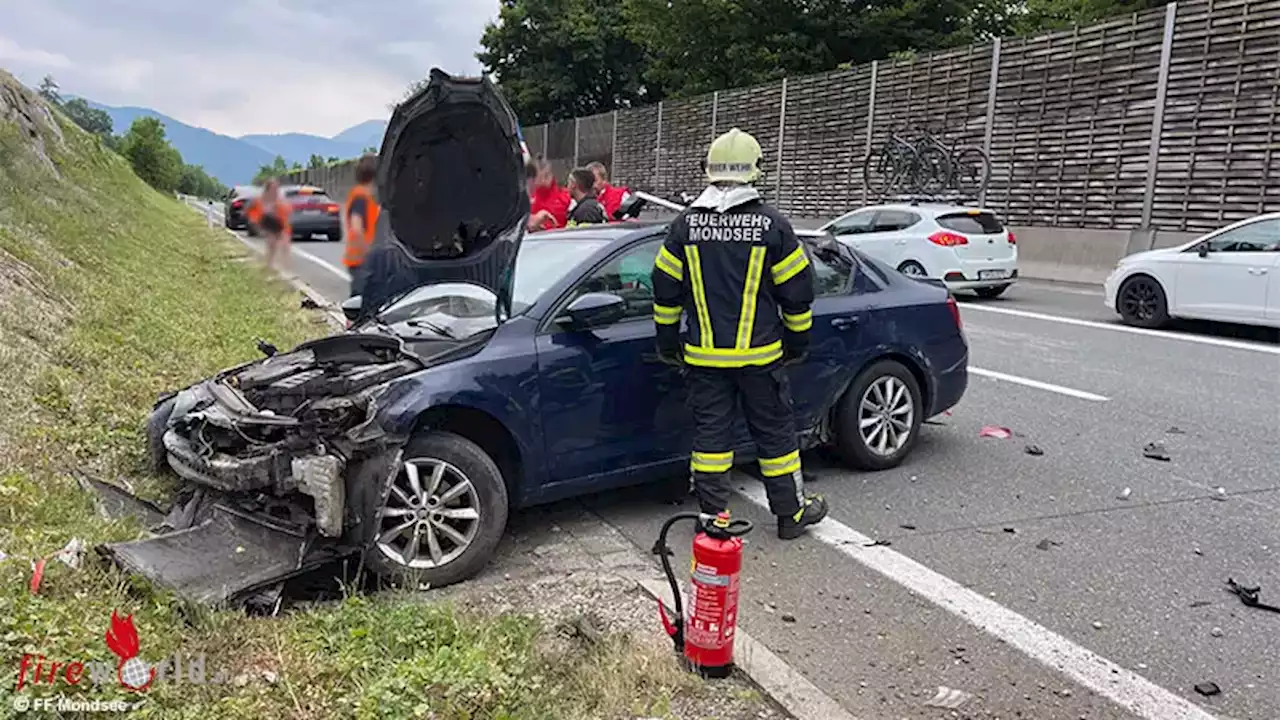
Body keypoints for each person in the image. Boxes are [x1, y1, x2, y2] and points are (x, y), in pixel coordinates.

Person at [650, 128, 828, 540]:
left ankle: (715, 520)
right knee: (776, 436)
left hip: (704, 360)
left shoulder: (685, 227)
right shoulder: (773, 226)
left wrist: (667, 343)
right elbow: (797, 295)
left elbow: (664, 289)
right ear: (754, 171)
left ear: (709, 171)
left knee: (712, 439)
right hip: (761, 359)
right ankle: (790, 514)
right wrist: (798, 342)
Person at [342, 153, 381, 297]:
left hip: (361, 259)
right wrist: (369, 254)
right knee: (361, 303)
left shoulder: (364, 196)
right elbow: (357, 228)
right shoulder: (360, 197)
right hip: (362, 260)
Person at [247, 178, 292, 273]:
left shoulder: (279, 198)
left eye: (276, 187)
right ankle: (270, 265)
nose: (275, 190)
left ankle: (284, 267)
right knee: (272, 244)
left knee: (285, 243)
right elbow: (254, 213)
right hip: (268, 223)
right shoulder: (262, 199)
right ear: (268, 188)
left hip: (280, 224)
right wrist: (257, 225)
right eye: (273, 187)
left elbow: (286, 210)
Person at [526, 156, 570, 232]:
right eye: (543, 175)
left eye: (547, 174)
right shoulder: (525, 199)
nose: (545, 179)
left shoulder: (565, 197)